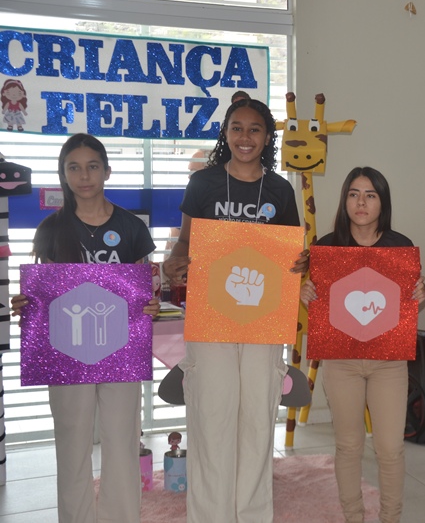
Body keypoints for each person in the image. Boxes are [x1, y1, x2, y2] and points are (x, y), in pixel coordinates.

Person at [161, 97, 305, 523]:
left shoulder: (280, 190)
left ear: (268, 137)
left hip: (264, 320)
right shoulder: (203, 183)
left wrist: (302, 263)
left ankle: (253, 514)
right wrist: (174, 261)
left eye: (255, 129)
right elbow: (185, 242)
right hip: (211, 317)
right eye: (237, 128)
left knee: (257, 419)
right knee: (212, 418)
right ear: (225, 133)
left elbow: (290, 254)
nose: (245, 137)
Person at [10, 133, 159, 523]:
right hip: (67, 351)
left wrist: (150, 304)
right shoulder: (51, 229)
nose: (84, 176)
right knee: (72, 444)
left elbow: (143, 288)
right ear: (63, 174)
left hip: (121, 350)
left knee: (122, 441)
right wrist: (27, 304)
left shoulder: (131, 227)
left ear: (107, 171)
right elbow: (44, 293)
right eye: (73, 168)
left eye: (92, 166)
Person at [299, 167, 425, 523]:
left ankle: (390, 518)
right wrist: (306, 292)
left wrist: (420, 294)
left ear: (382, 202)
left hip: (388, 362)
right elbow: (319, 302)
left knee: (390, 448)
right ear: (345, 200)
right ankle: (353, 516)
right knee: (348, 445)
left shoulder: (400, 247)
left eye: (371, 195)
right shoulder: (326, 247)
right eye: (354, 194)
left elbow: (408, 301)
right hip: (341, 362)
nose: (361, 202)